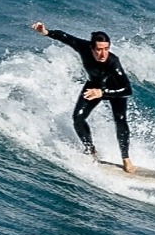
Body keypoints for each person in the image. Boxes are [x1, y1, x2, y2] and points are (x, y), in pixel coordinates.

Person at [31, 21, 135, 173]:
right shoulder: (83, 47)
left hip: (115, 89)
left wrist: (103, 93)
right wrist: (46, 32)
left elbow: (127, 89)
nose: (103, 54)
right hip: (93, 84)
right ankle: (90, 150)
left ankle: (126, 158)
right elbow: (65, 37)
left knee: (120, 120)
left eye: (106, 49)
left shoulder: (113, 62)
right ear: (92, 48)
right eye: (99, 50)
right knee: (78, 118)